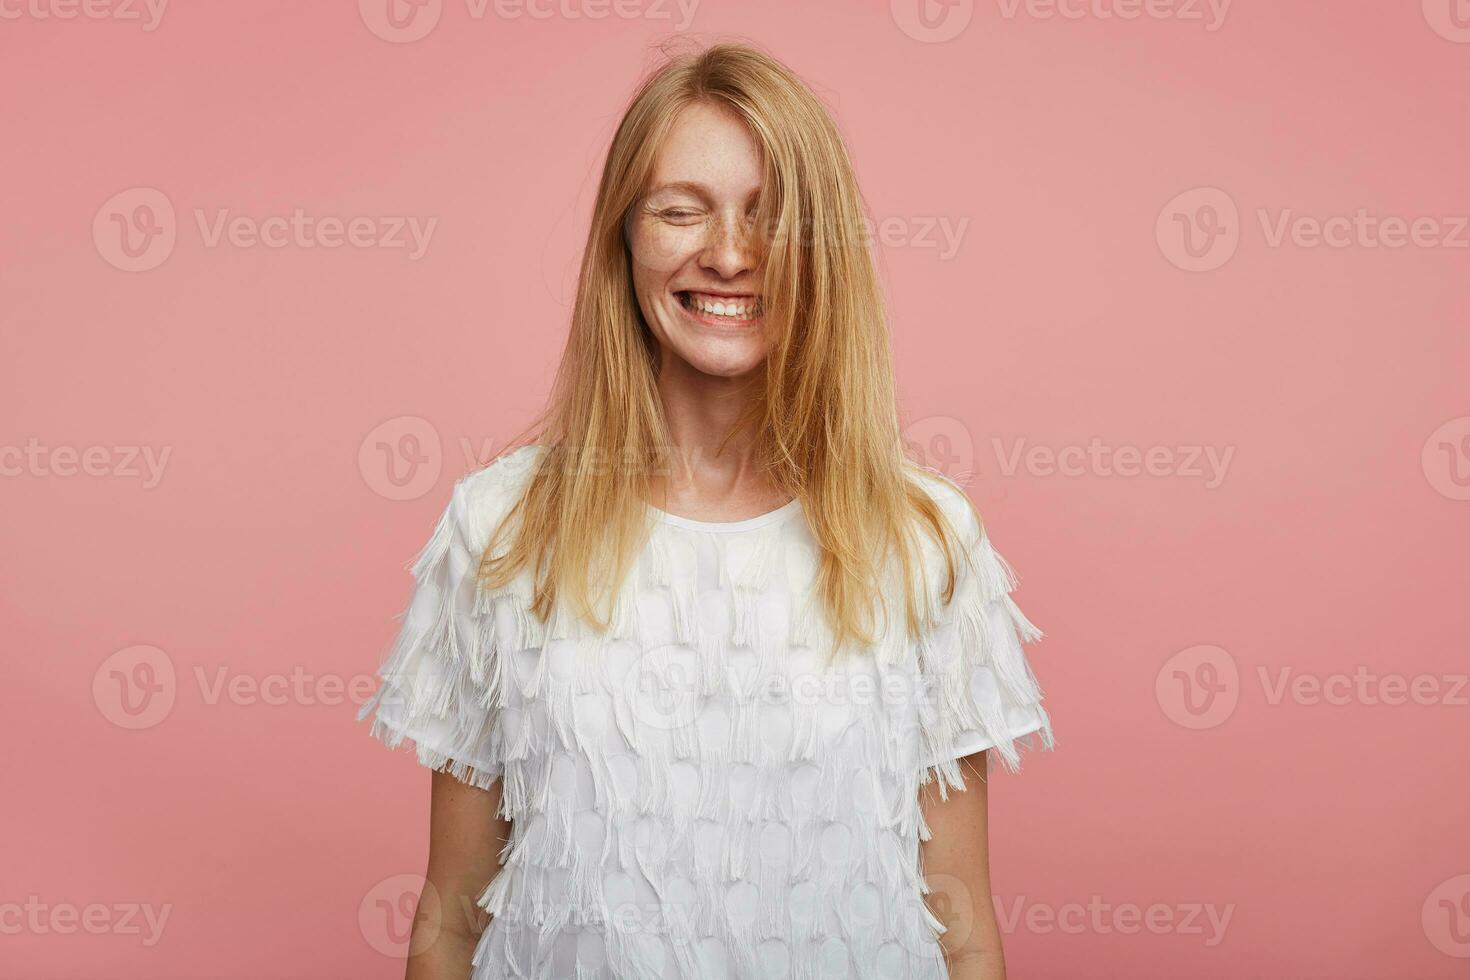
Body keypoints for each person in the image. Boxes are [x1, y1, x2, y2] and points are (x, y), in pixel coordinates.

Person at [358, 38, 1055, 980]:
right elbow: (448, 923)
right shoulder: (501, 530)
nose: (729, 254)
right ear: (624, 237)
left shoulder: (925, 541)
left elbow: (963, 930)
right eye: (681, 211)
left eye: (772, 218)